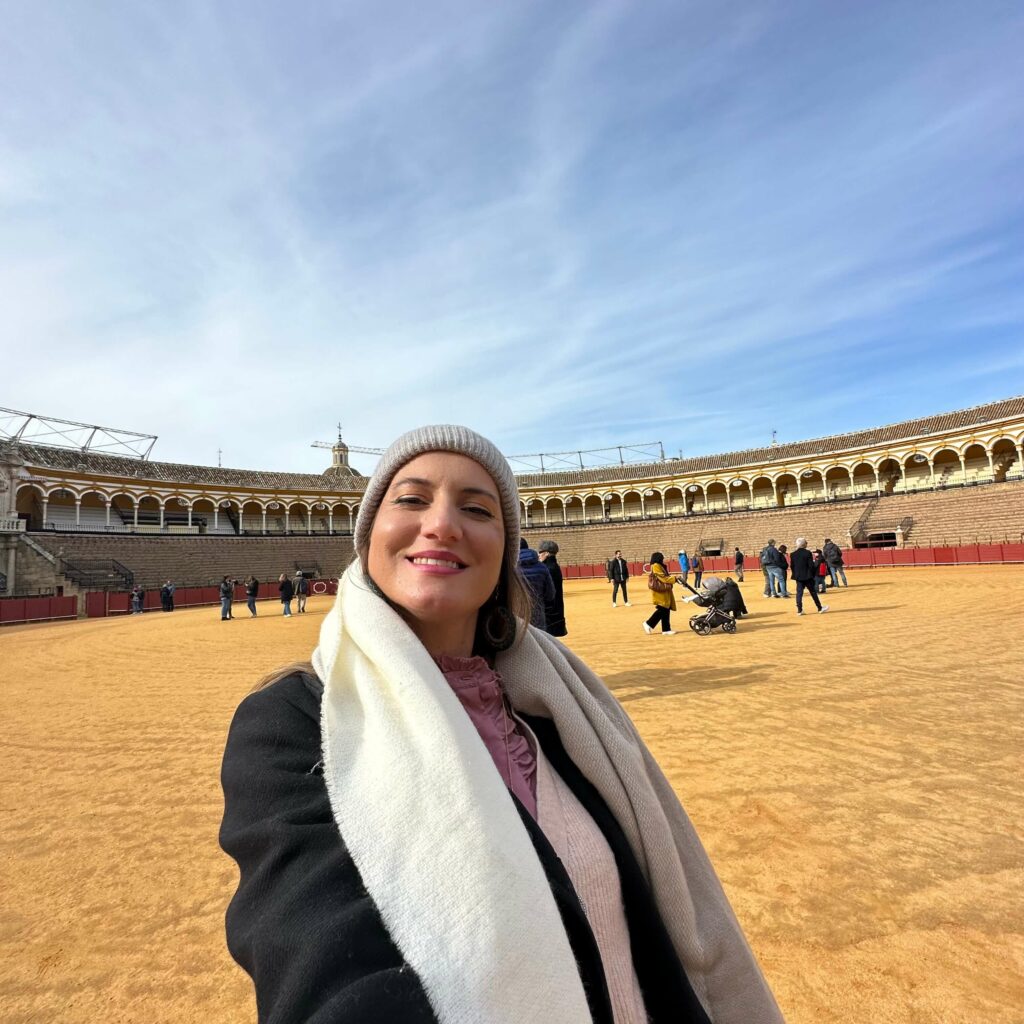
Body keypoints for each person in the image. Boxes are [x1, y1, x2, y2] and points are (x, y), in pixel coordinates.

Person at [219, 425, 782, 1024]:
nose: (442, 524)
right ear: (366, 537)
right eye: (410, 499)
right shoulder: (292, 723)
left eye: (477, 509)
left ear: (505, 546)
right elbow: (325, 961)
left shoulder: (554, 707)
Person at [519, 538, 555, 630]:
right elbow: (550, 595)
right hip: (538, 617)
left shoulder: (508, 569)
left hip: (516, 616)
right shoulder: (542, 567)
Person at [790, 538, 829, 616]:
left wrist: (796, 574)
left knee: (799, 593)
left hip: (799, 577)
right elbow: (811, 566)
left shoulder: (793, 554)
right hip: (808, 576)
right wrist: (813, 574)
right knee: (813, 592)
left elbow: (792, 566)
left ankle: (799, 610)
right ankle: (819, 608)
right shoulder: (807, 553)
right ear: (804, 544)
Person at [643, 551, 678, 635]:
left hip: (664, 590)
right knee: (663, 609)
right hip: (660, 591)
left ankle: (666, 629)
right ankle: (648, 623)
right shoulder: (656, 566)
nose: (663, 558)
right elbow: (663, 578)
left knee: (666, 609)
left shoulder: (659, 565)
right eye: (661, 557)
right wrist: (674, 579)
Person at [537, 539, 567, 637]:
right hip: (556, 612)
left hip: (549, 614)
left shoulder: (547, 569)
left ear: (546, 553)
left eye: (540, 552)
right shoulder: (554, 566)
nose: (538, 554)